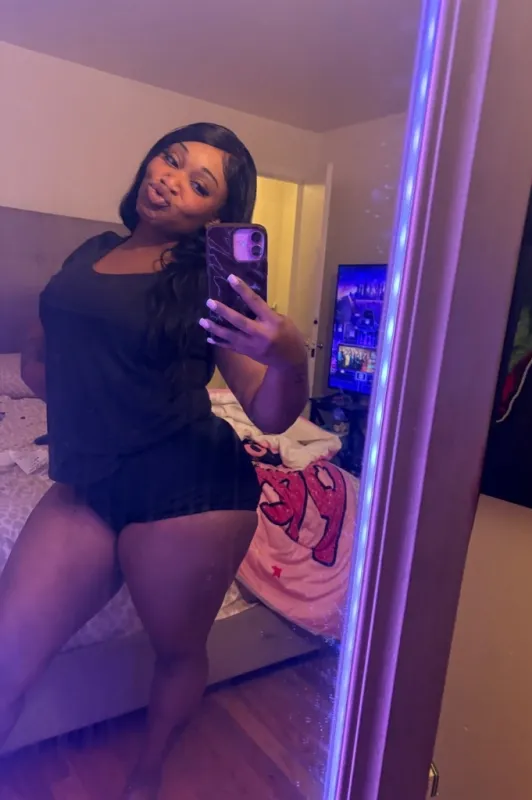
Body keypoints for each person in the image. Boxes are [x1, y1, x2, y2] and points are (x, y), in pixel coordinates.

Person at [0, 122, 308, 799]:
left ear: (217, 217)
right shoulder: (92, 251)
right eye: (171, 158)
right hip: (87, 479)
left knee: (177, 652)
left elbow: (269, 414)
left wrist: (291, 356)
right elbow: (47, 354)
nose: (170, 179)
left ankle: (147, 776)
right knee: (6, 657)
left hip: (188, 489)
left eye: (199, 184)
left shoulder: (208, 283)